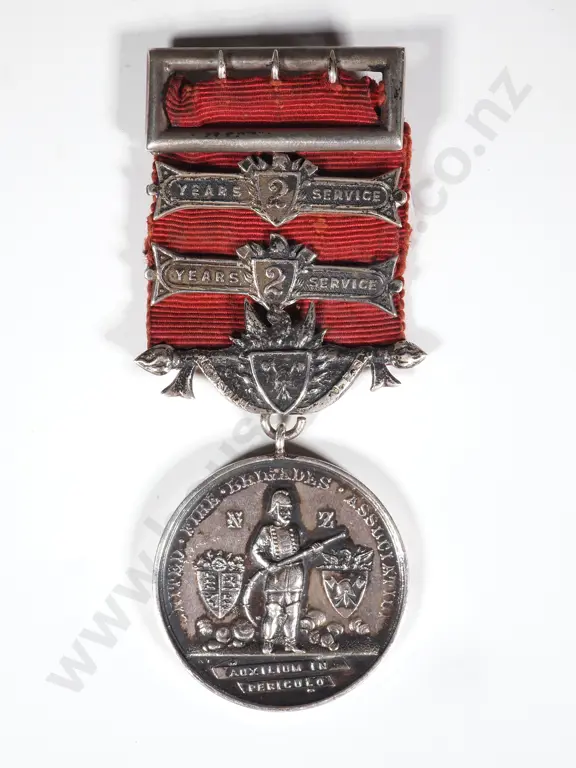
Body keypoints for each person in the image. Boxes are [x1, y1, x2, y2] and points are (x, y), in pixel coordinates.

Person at [251, 488, 317, 653]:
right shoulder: (267, 531)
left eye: (289, 510)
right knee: (273, 611)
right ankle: (268, 642)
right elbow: (256, 551)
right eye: (283, 510)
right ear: (275, 511)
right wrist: (268, 565)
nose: (287, 514)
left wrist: (314, 549)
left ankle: (290, 643)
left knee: (293, 612)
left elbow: (306, 551)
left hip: (295, 575)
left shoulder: (296, 530)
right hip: (276, 577)